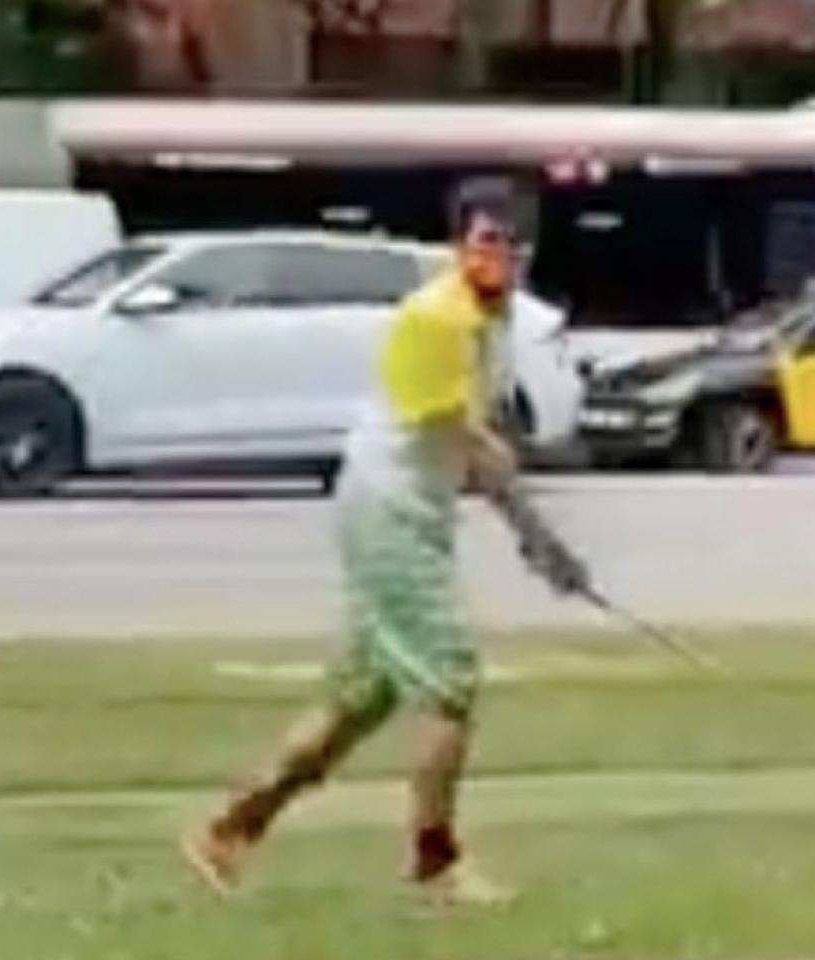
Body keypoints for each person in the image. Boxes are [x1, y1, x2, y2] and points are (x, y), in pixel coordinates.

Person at [181, 177, 590, 906]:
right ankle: (435, 862)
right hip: (388, 506)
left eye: (514, 241)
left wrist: (537, 540)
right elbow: (470, 444)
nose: (501, 253)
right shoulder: (439, 317)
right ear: (459, 244)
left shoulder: (494, 322)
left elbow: (482, 444)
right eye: (487, 238)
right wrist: (540, 538)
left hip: (414, 506)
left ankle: (230, 830)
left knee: (360, 700)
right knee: (450, 678)